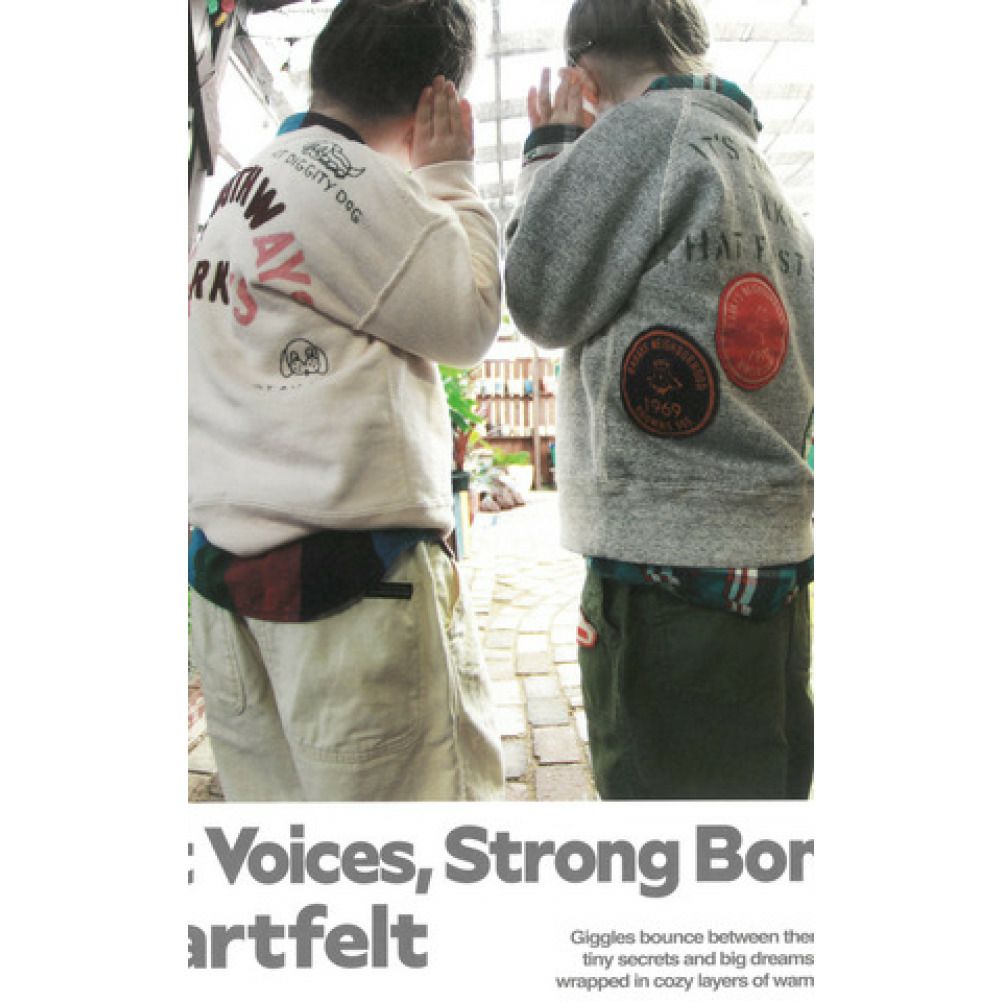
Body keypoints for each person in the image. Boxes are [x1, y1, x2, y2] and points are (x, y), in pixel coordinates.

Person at [187, 0, 503, 801]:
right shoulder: (364, 186)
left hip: (229, 584)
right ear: (436, 98)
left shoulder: (242, 185)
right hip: (350, 590)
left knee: (279, 826)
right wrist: (449, 177)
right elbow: (470, 321)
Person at [504, 0, 814, 799]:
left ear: (582, 77)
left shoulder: (640, 136)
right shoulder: (756, 170)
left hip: (666, 576)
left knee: (669, 831)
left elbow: (538, 297)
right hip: (772, 568)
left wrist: (552, 151)